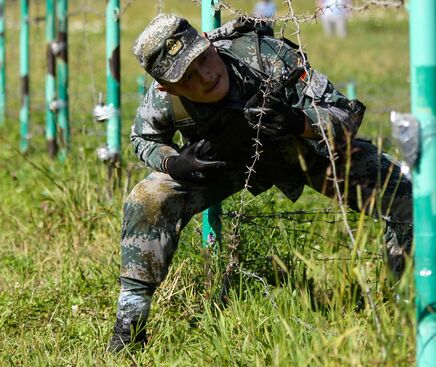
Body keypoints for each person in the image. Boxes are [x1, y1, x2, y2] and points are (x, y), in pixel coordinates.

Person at [108, 13, 412, 353]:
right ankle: (129, 329)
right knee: (147, 197)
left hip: (305, 151)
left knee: (405, 194)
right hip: (224, 165)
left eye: (203, 59)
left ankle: (410, 310)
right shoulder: (164, 99)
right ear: (168, 86)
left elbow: (345, 114)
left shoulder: (264, 55)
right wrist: (175, 162)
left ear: (208, 44)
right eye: (189, 77)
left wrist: (299, 121)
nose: (206, 76)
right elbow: (143, 138)